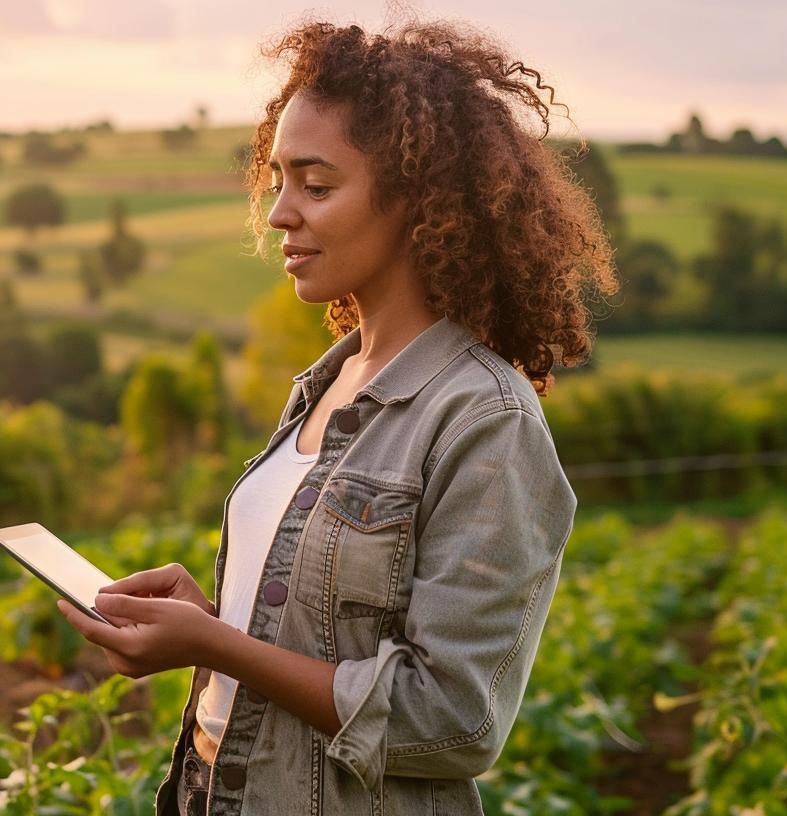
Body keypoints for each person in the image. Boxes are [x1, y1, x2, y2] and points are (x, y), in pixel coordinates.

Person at [55, 16, 618, 816]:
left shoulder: (484, 420)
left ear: (421, 202)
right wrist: (210, 620)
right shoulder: (326, 383)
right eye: (278, 179)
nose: (281, 213)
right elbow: (317, 645)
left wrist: (216, 646)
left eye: (317, 186)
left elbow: (452, 721)